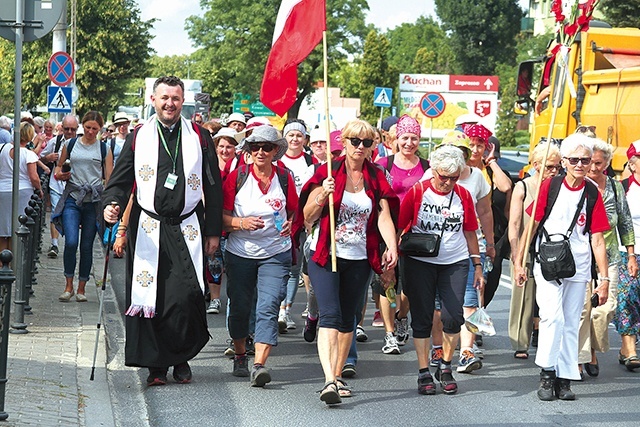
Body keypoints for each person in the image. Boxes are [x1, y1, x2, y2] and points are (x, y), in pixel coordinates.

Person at [102, 76, 223, 386]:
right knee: (150, 297)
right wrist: (112, 205)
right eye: (164, 97)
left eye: (176, 98)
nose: (170, 103)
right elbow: (121, 178)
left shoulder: (199, 136)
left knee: (186, 295)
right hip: (148, 227)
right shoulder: (139, 135)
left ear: (183, 102)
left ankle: (180, 357)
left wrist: (213, 231)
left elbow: (212, 184)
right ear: (153, 100)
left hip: (187, 226)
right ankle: (157, 367)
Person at [297, 119, 399, 405]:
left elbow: (383, 215)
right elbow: (307, 216)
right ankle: (329, 379)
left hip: (360, 257)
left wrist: (391, 246)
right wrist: (322, 195)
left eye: (367, 142)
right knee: (329, 314)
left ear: (372, 147)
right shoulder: (326, 172)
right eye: (355, 141)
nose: (360, 147)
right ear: (344, 142)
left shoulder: (377, 176)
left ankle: (338, 374)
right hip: (326, 255)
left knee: (348, 320)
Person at [514, 133, 610, 401]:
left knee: (571, 322)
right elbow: (530, 225)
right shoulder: (550, 186)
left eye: (585, 160)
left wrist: (603, 279)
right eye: (575, 159)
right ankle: (547, 373)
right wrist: (520, 262)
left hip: (579, 264)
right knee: (552, 317)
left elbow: (598, 238)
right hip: (548, 261)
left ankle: (565, 378)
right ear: (565, 161)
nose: (580, 164)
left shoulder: (592, 192)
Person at [399, 145, 482, 396]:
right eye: (442, 177)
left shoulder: (464, 195)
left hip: (454, 261)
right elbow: (400, 225)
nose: (447, 183)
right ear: (432, 171)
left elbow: (470, 231)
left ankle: (445, 366)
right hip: (419, 262)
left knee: (453, 316)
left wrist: (477, 265)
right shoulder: (418, 192)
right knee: (423, 317)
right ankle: (424, 370)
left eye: (453, 178)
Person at [222, 125, 296, 387]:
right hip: (241, 253)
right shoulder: (238, 177)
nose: (261, 152)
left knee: (268, 306)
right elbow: (221, 217)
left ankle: (259, 365)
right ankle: (241, 354)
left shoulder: (285, 178)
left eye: (267, 147)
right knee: (241, 308)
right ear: (249, 150)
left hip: (276, 253)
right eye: (255, 147)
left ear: (276, 151)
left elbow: (295, 213)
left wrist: (291, 224)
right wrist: (242, 223)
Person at [578, 139, 637, 376]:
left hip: (611, 255)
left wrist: (630, 255)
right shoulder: (579, 186)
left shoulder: (615, 187)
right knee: (582, 310)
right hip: (581, 256)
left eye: (598, 163)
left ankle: (592, 346)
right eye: (589, 162)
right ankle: (582, 357)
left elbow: (625, 221)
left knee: (604, 309)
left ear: (607, 163)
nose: (592, 168)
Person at [375, 114, 430, 354]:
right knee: (387, 281)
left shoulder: (427, 167)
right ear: (396, 139)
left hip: (415, 233)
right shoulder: (383, 165)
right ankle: (389, 334)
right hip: (387, 230)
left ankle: (401, 316)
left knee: (410, 287)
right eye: (405, 138)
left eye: (414, 138)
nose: (409, 143)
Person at [52, 111, 113, 303]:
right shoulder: (70, 144)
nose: (90, 132)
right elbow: (58, 168)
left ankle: (81, 287)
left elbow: (109, 178)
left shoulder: (104, 149)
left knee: (86, 246)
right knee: (71, 242)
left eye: (95, 129)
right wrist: (60, 175)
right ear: (82, 126)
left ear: (100, 129)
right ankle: (68, 285)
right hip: (73, 197)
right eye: (87, 127)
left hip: (93, 201)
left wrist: (110, 201)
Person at [508, 142, 561, 359]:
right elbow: (514, 222)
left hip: (553, 248)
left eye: (557, 166)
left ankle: (550, 340)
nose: (554, 171)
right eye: (549, 166)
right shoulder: (523, 186)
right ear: (536, 165)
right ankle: (520, 341)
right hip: (526, 245)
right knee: (524, 296)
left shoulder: (560, 185)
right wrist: (516, 253)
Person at [279, 120, 315, 331]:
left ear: (304, 139)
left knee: (294, 268)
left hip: (301, 222)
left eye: (298, 136)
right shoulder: (276, 158)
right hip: (277, 220)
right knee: (277, 266)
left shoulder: (310, 162)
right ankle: (274, 308)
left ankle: (286, 311)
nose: (294, 139)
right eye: (290, 135)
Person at [613, 140, 640, 371]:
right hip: (628, 252)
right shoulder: (622, 188)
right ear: (632, 163)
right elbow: (619, 223)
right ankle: (629, 348)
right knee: (627, 297)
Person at [40, 115, 79, 258]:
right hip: (56, 184)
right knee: (56, 212)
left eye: (72, 129)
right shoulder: (55, 142)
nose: (69, 132)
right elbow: (40, 157)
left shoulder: (81, 143)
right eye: (66, 128)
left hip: (74, 186)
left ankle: (70, 244)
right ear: (61, 128)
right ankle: (54, 244)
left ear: (77, 129)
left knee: (70, 215)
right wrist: (48, 158)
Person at [0, 122, 43, 252]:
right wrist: (39, 189)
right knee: (18, 228)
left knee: (2, 230)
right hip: (23, 192)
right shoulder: (29, 154)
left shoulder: (2, 148)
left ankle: (2, 264)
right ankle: (14, 262)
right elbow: (34, 177)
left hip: (2, 190)